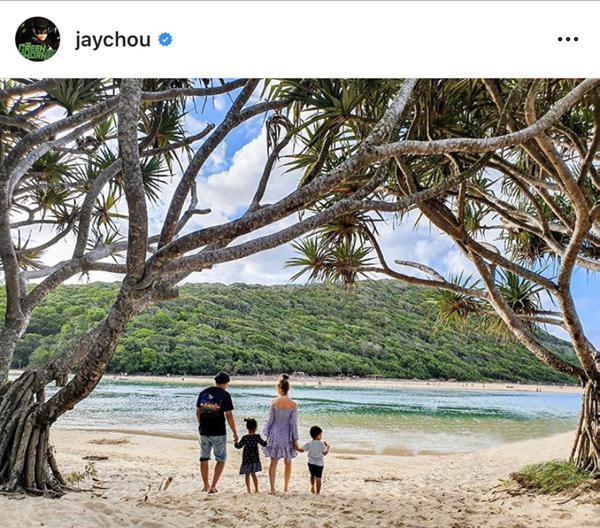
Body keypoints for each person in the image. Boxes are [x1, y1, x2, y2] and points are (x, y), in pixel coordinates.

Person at [196, 371, 239, 493]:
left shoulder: (203, 392)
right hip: (219, 431)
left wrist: (201, 424)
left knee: (204, 458)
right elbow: (229, 416)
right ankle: (213, 486)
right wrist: (235, 432)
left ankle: (206, 485)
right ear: (225, 383)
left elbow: (198, 412)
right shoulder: (225, 395)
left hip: (204, 431)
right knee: (221, 458)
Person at [263, 374, 299, 495]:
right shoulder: (293, 404)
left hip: (275, 434)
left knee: (273, 462)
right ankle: (286, 487)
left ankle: (272, 489)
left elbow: (270, 420)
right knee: (288, 462)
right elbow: (293, 424)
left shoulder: (274, 402)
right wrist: (296, 439)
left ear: (279, 388)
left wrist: (266, 433)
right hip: (287, 434)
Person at [234, 417, 267, 493]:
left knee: (247, 474)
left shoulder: (245, 437)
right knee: (253, 474)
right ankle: (256, 489)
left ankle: (248, 490)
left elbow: (238, 446)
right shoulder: (257, 437)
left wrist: (235, 441)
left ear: (247, 427)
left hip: (246, 459)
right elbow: (264, 444)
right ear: (255, 427)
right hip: (254, 458)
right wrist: (270, 439)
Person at [296, 426, 330, 494]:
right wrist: (328, 447)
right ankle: (317, 492)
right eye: (321, 434)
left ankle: (312, 486)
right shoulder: (321, 444)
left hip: (311, 463)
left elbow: (302, 450)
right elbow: (325, 453)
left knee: (312, 475)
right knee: (318, 478)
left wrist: (295, 447)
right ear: (318, 435)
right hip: (319, 464)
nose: (321, 436)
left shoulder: (309, 443)